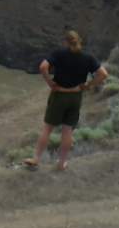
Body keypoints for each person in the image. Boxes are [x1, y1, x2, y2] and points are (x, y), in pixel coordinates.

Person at [25, 29, 107, 171]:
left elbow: (43, 67)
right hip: (75, 96)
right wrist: (88, 85)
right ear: (79, 41)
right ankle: (62, 163)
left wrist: (50, 82)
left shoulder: (59, 54)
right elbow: (103, 74)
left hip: (59, 95)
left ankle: (36, 159)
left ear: (65, 42)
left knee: (48, 128)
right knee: (67, 130)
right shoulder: (88, 57)